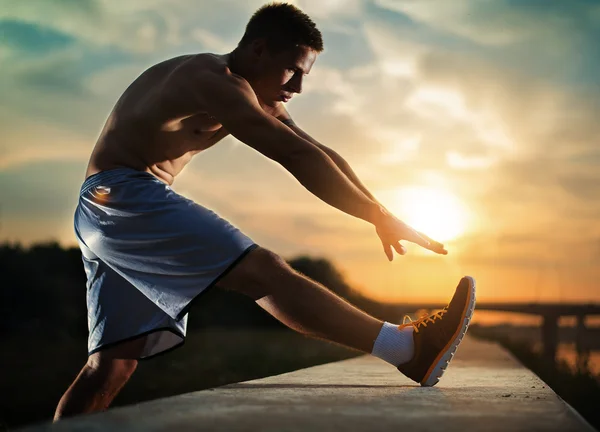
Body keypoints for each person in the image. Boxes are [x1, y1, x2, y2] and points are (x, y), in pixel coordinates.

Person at [54, 2, 476, 422]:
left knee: (109, 367)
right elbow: (291, 155)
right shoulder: (212, 81)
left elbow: (316, 150)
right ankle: (407, 349)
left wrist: (379, 211)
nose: (297, 87)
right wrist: (372, 215)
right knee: (262, 270)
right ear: (258, 50)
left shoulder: (255, 96)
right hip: (121, 196)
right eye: (292, 70)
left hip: (107, 210)